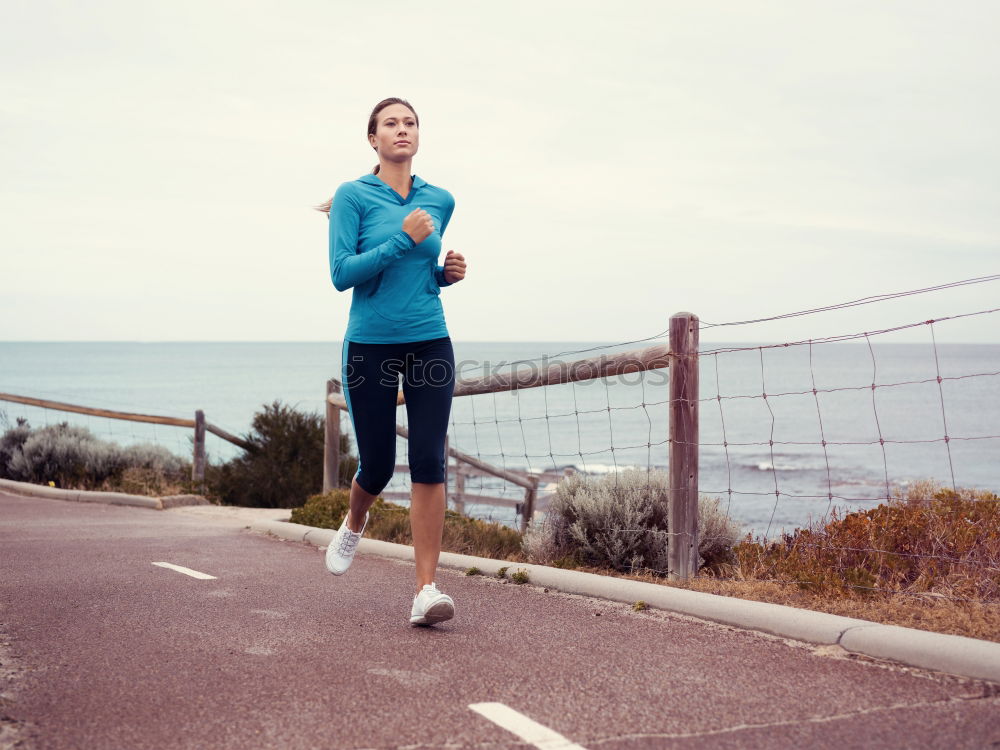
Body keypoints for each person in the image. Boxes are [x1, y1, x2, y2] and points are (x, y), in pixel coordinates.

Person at [317, 97, 468, 626]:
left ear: (418, 136)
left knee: (429, 458)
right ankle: (355, 519)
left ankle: (426, 590)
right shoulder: (352, 197)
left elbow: (422, 276)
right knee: (378, 465)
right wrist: (403, 241)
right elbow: (341, 274)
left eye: (409, 123)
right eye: (390, 124)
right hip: (369, 346)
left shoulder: (440, 199)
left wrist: (444, 274)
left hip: (429, 340)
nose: (401, 130)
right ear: (373, 139)